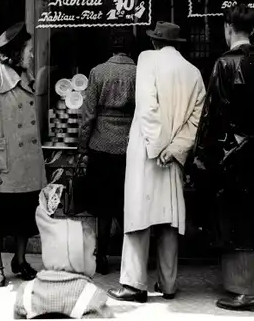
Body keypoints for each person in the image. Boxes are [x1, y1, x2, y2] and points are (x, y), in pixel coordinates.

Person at [193, 5, 254, 312]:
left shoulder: (223, 64)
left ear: (227, 28)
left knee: (236, 223)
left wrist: (202, 154)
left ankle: (248, 292)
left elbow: (212, 115)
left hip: (232, 157)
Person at [108, 21, 206, 303]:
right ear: (178, 44)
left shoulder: (147, 59)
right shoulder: (194, 73)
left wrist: (158, 145)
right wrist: (174, 149)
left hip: (147, 152)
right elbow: (195, 122)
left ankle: (134, 286)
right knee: (168, 219)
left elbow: (147, 106)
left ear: (154, 42)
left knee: (139, 218)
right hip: (172, 156)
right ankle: (168, 284)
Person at [0, 22, 47, 287]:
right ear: (17, 50)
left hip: (27, 160)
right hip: (1, 160)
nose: (32, 55)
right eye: (29, 50)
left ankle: (19, 261)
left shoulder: (27, 75)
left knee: (25, 215)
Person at [78, 30, 136, 275]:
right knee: (127, 205)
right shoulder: (139, 73)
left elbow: (88, 114)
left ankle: (101, 257)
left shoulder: (97, 72)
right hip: (130, 146)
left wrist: (83, 147)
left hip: (101, 145)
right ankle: (129, 260)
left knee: (103, 206)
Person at [14, 184, 112, 319]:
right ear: (74, 260)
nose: (95, 259)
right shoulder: (91, 297)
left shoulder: (26, 293)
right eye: (92, 254)